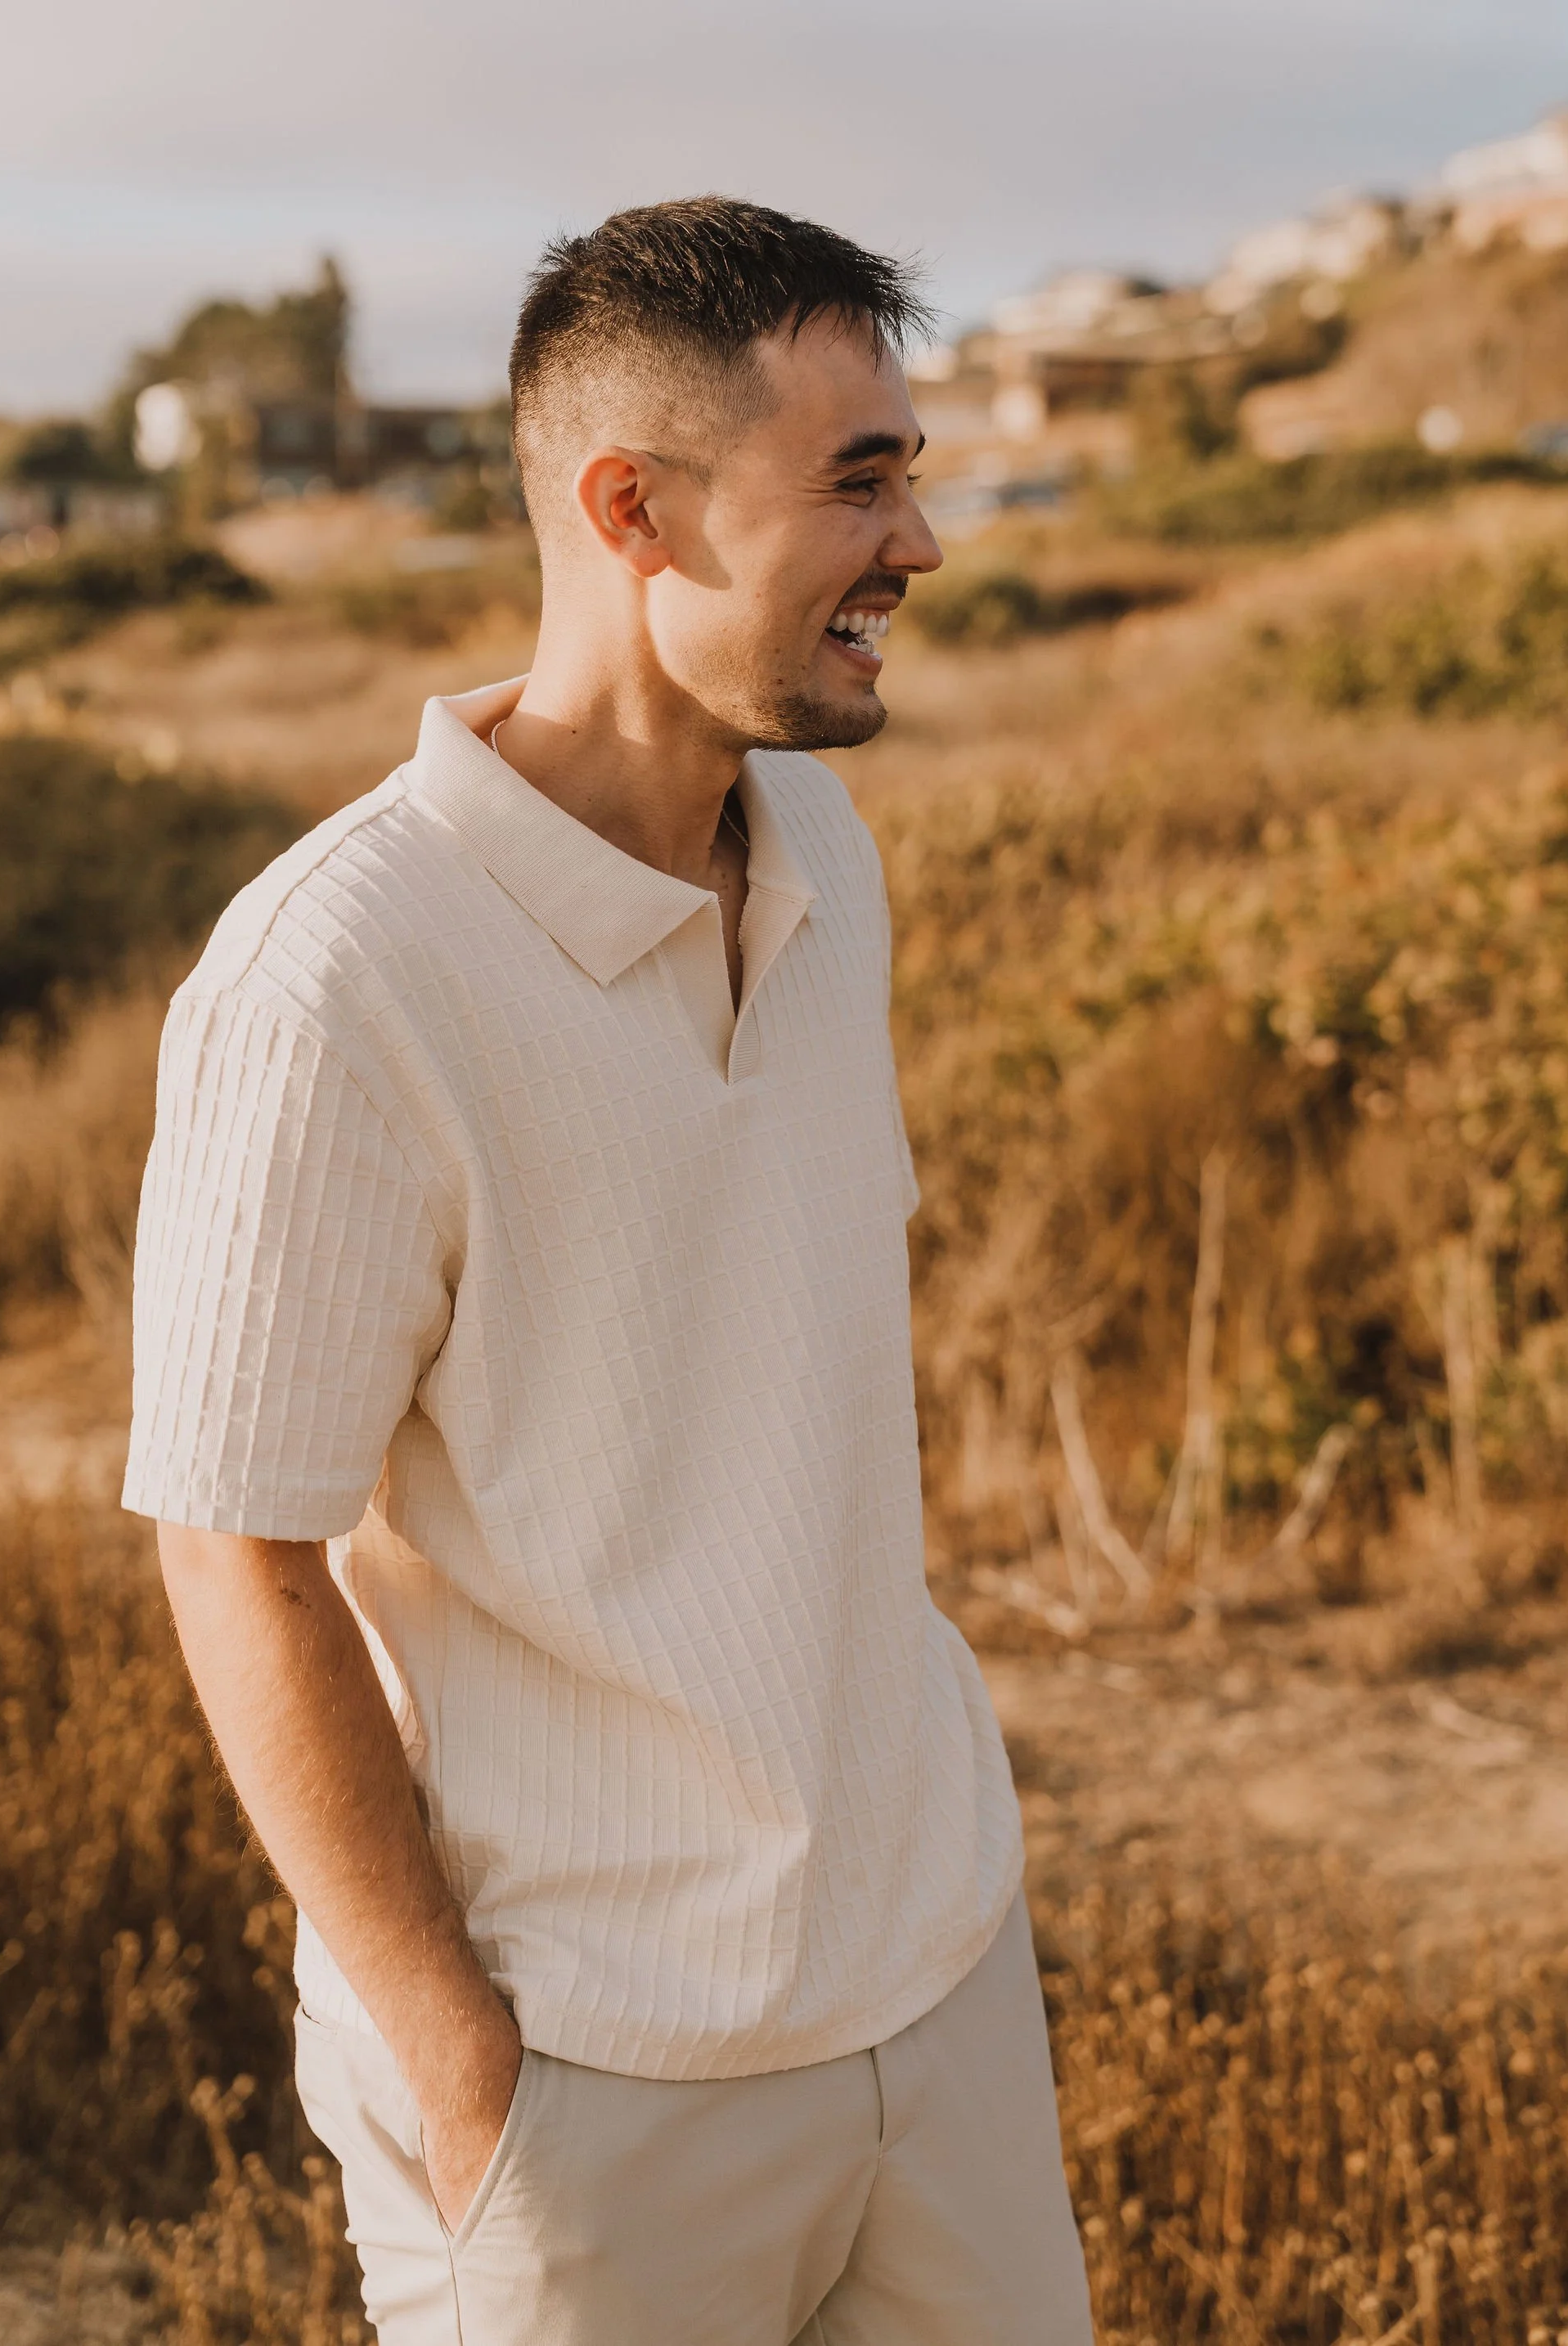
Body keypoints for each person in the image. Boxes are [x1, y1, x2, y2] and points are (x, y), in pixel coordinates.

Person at [124, 196, 1093, 2346]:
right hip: (589, 2087)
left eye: (912, 467)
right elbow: (236, 1553)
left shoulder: (824, 852)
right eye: (860, 479)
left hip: (932, 2001)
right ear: (632, 509)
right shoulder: (337, 977)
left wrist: (950, 1935)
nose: (922, 539)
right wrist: (468, 2072)